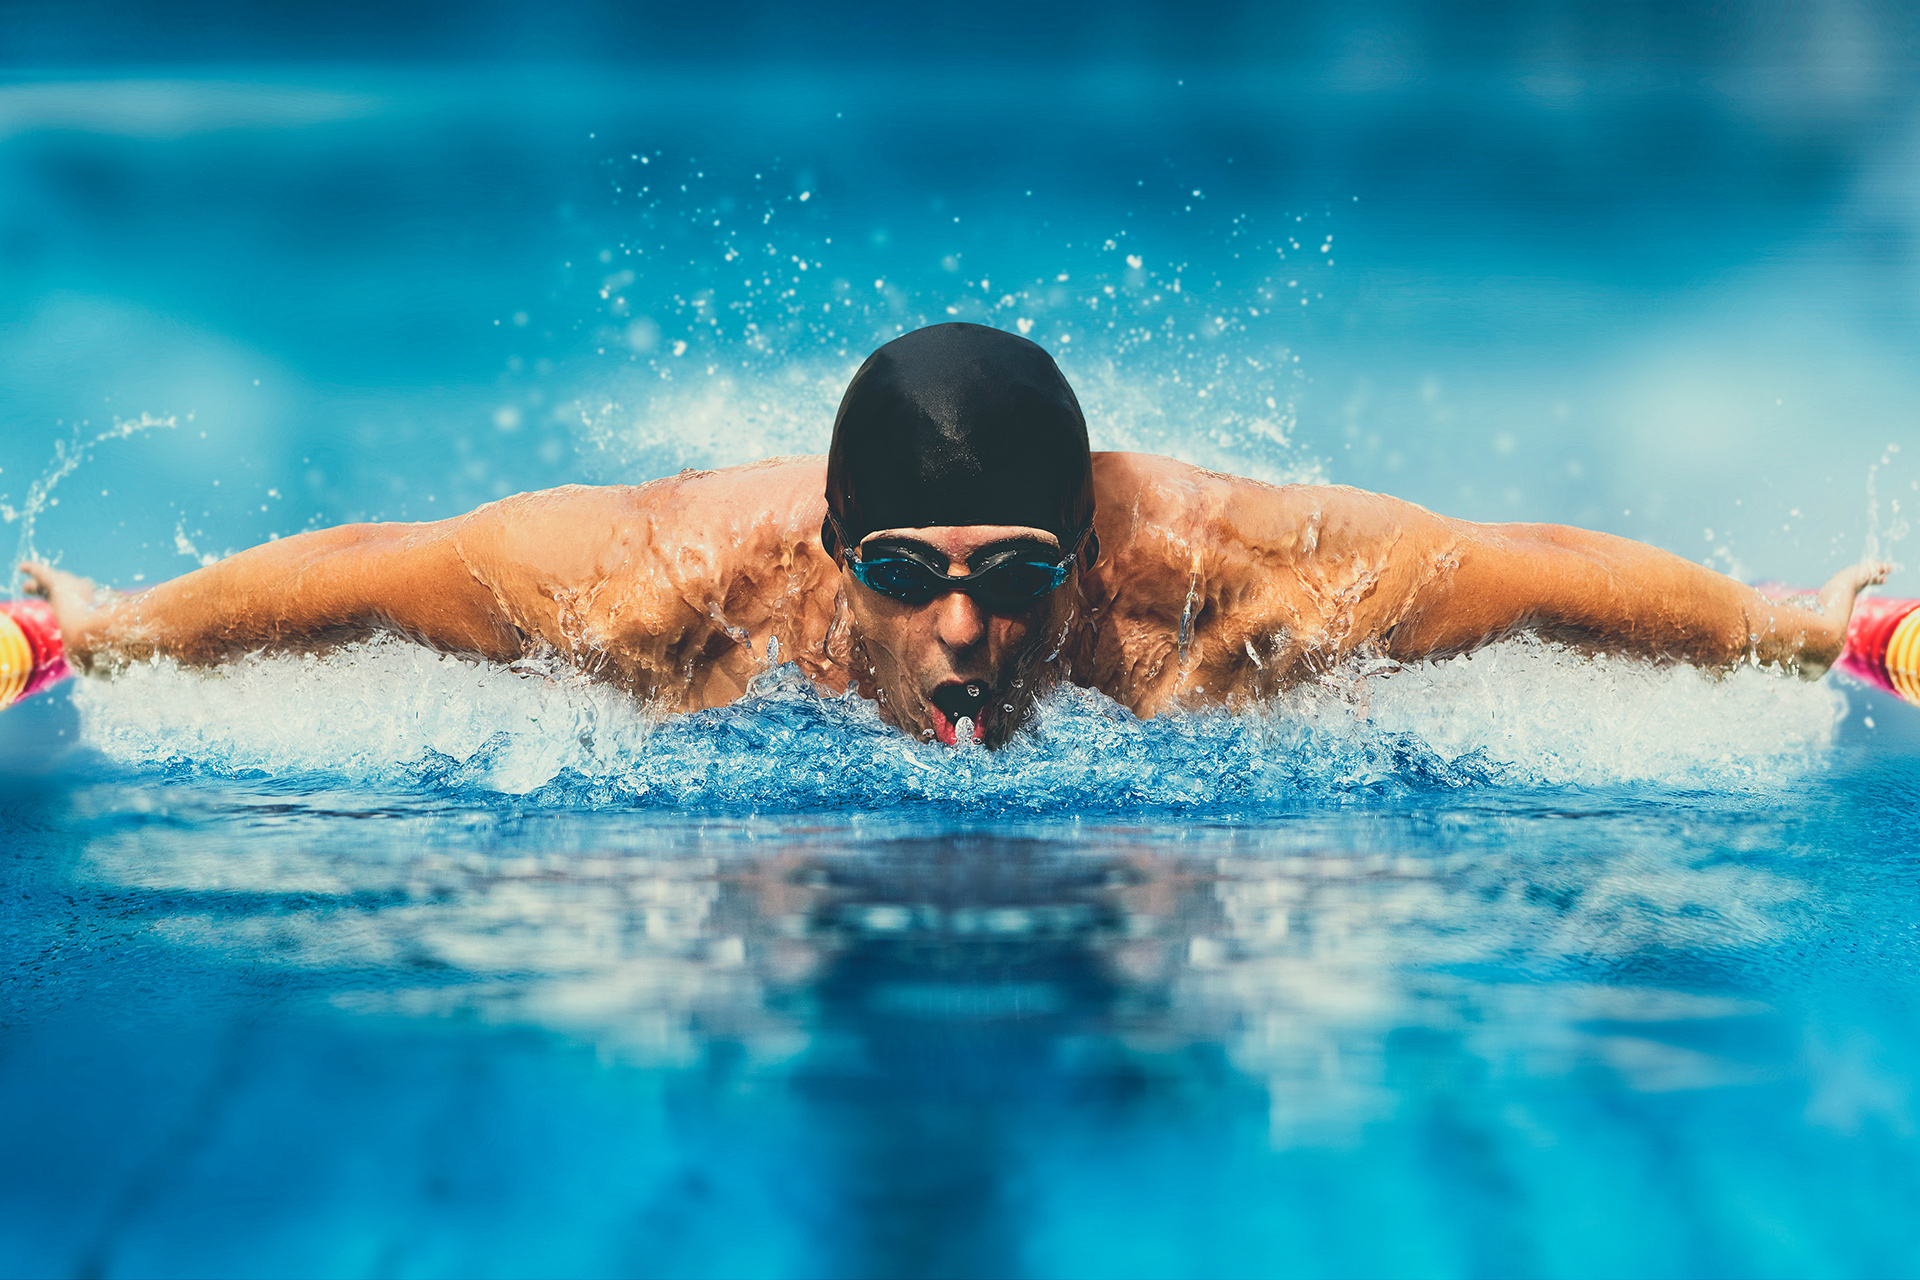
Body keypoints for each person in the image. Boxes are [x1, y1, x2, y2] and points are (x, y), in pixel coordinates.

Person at [20, 323, 1889, 749]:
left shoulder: (1221, 586)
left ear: (1086, 557)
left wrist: (1821, 633)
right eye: (912, 577)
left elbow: (1517, 570)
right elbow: (381, 569)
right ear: (840, 557)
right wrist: (87, 635)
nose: (973, 633)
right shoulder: (670, 589)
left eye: (1020, 577)